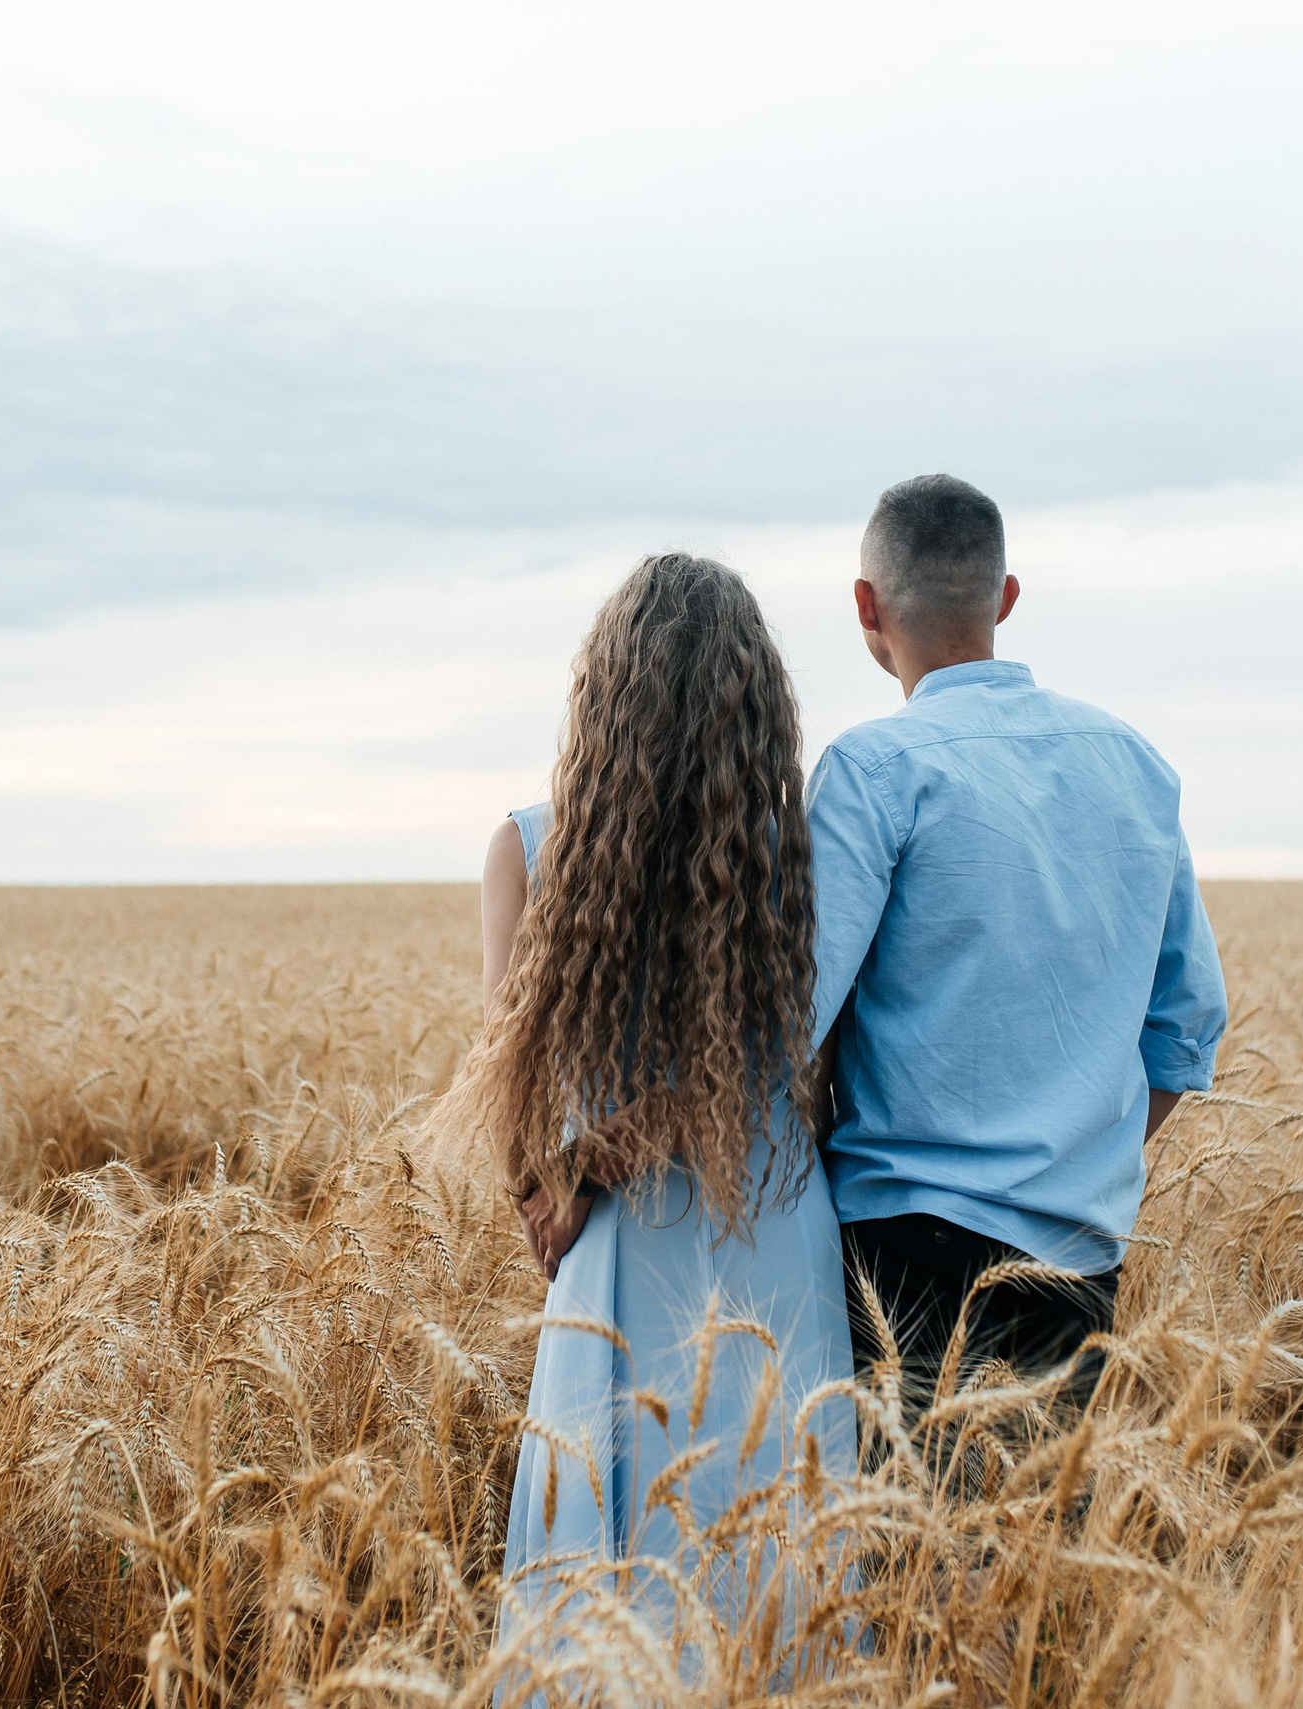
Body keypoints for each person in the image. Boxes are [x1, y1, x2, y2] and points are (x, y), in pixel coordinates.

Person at [451, 552, 856, 1664]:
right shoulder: (802, 859)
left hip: (610, 1247)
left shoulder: (527, 847)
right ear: (756, 701)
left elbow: (510, 1087)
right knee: (782, 1555)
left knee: (603, 1569)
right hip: (772, 1227)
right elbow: (814, 1073)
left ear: (604, 691)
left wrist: (553, 1188)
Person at [808, 474, 1228, 1419]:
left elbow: (792, 1020)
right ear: (1004, 598)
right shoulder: (1135, 763)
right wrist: (1067, 1159)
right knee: (1042, 1514)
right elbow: (1189, 1027)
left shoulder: (872, 770)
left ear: (866, 606)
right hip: (1078, 1251)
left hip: (899, 1248)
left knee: (905, 1510)